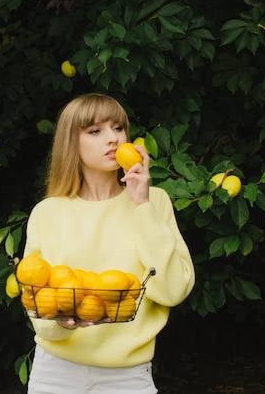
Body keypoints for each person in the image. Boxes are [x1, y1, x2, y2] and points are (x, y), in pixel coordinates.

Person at [23, 93, 195, 394]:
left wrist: (141, 204)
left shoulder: (155, 202)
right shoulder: (47, 213)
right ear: (71, 142)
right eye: (95, 131)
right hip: (55, 372)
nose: (113, 139)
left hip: (127, 377)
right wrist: (61, 323)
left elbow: (173, 290)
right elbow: (36, 304)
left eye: (118, 128)